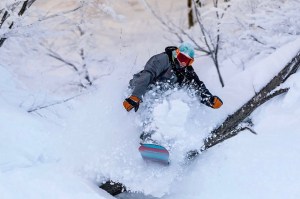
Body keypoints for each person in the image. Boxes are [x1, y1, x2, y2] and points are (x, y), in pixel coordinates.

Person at [123, 42, 223, 113]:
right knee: (156, 104)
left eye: (188, 61)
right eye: (182, 58)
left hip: (156, 98)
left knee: (169, 105)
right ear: (177, 54)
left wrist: (209, 99)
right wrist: (136, 95)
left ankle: (160, 137)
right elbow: (148, 74)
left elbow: (197, 86)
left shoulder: (186, 71)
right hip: (137, 91)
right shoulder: (163, 59)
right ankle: (147, 137)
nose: (183, 63)